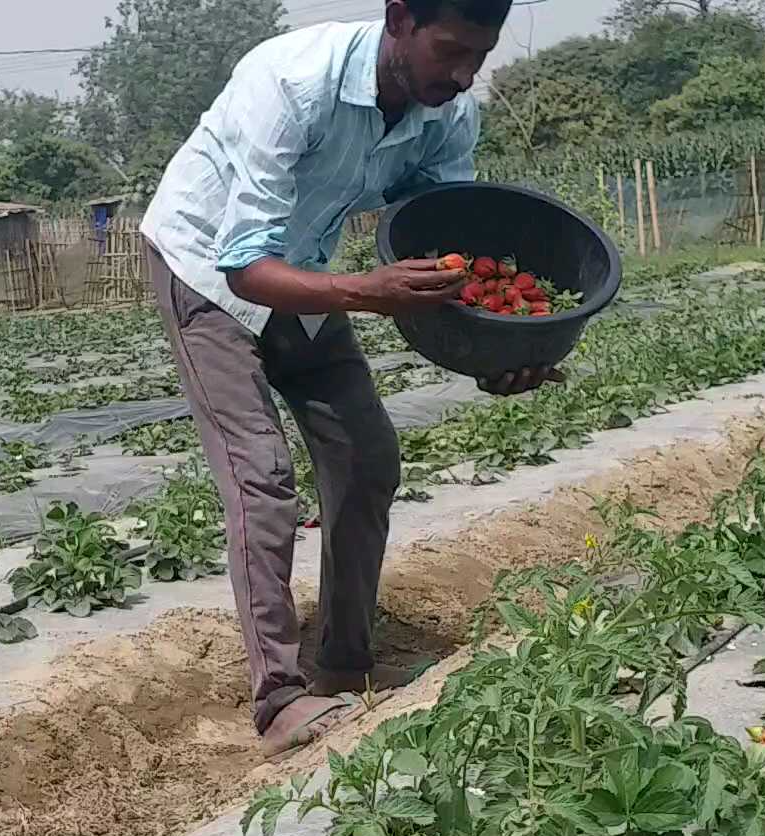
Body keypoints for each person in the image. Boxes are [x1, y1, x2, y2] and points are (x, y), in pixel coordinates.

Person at [143, 0, 560, 758]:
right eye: (452, 51)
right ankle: (277, 701)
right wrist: (367, 291)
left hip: (301, 268)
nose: (464, 76)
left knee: (367, 458)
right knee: (261, 476)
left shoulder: (446, 115)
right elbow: (244, 264)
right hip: (209, 267)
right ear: (400, 18)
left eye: (481, 56)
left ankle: (344, 665)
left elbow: (442, 259)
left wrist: (495, 354)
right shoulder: (290, 83)